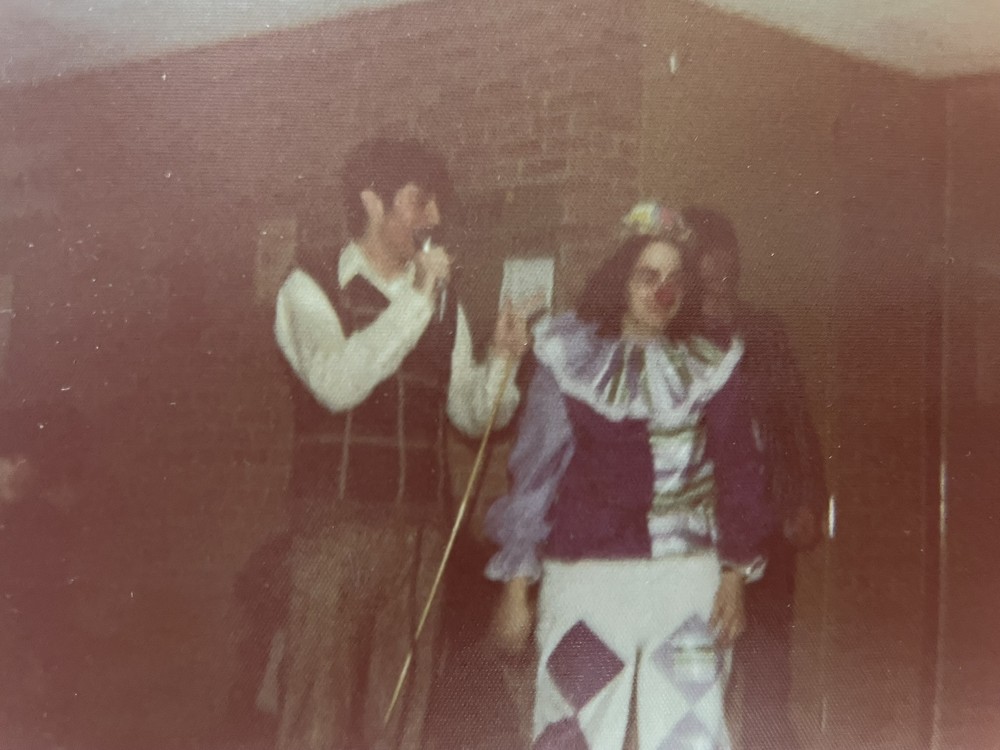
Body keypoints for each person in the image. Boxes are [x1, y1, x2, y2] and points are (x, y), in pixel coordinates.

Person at [273, 137, 529, 750]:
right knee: (316, 711)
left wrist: (501, 361)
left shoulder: (444, 307)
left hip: (419, 534)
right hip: (333, 529)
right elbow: (336, 384)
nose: (434, 218)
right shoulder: (308, 287)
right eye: (420, 201)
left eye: (436, 204)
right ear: (372, 202)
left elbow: (471, 416)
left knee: (400, 712)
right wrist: (416, 300)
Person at [485, 202, 771, 750]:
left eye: (675, 278)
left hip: (687, 582)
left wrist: (735, 575)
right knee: (572, 735)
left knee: (690, 737)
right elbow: (534, 475)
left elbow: (741, 472)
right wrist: (516, 587)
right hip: (587, 581)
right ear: (620, 281)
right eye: (647, 276)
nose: (664, 292)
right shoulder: (567, 356)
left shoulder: (713, 363)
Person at [683, 206, 828, 750]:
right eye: (708, 272)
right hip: (700, 522)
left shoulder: (764, 331)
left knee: (768, 658)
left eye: (728, 272)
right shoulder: (674, 336)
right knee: (702, 660)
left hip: (767, 518)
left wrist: (807, 498)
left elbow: (795, 419)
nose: (720, 284)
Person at [0, 401, 90, 749]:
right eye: (8, 459)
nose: (17, 468)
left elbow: (47, 598)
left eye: (24, 460)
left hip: (28, 645)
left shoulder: (41, 522)